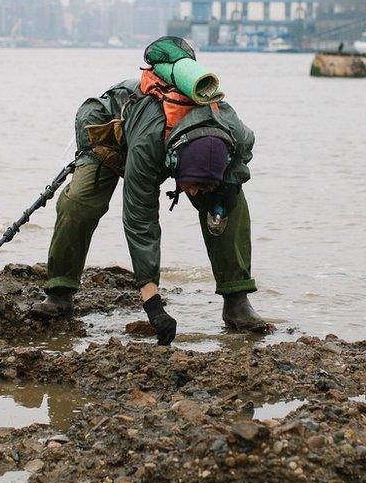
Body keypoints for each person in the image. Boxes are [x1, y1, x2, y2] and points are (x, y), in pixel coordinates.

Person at [30, 38, 266, 345]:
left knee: (229, 205)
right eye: (191, 185)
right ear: (173, 163)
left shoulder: (230, 126)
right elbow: (140, 220)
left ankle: (237, 302)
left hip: (183, 147)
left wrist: (228, 186)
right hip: (110, 131)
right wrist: (152, 303)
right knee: (80, 204)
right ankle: (59, 294)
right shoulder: (148, 143)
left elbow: (241, 158)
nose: (193, 192)